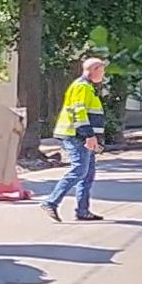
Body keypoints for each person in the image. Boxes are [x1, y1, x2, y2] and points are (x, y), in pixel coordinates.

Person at [43, 57, 107, 222]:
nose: (104, 74)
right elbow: (78, 112)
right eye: (102, 70)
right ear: (95, 70)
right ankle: (51, 202)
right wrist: (89, 135)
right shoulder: (82, 87)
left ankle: (83, 211)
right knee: (80, 171)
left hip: (81, 136)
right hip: (76, 136)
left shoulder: (86, 87)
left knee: (87, 175)